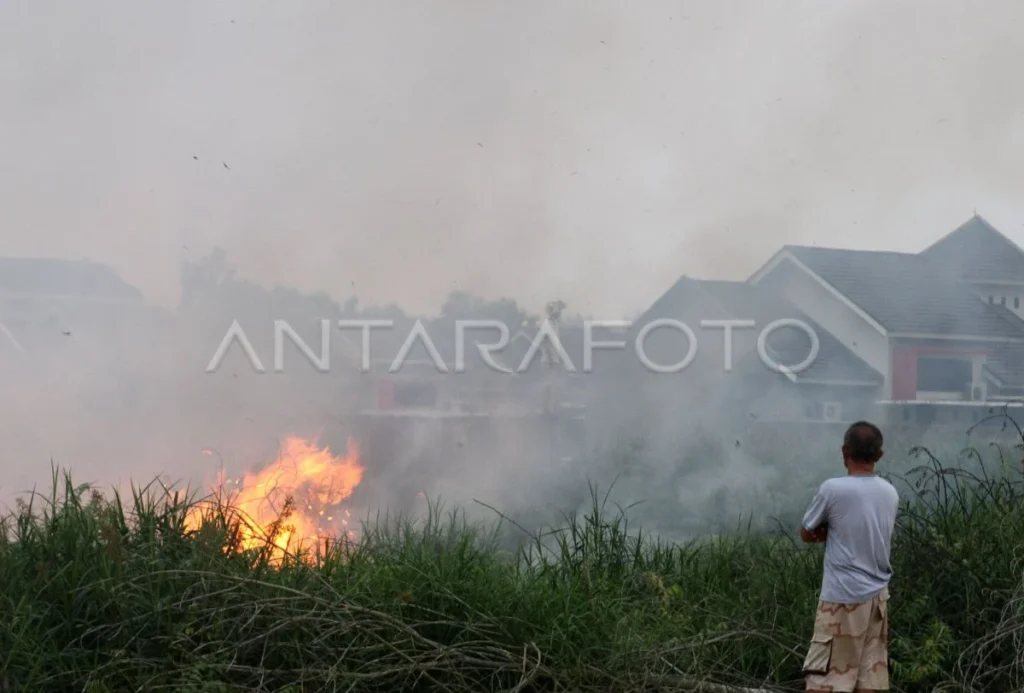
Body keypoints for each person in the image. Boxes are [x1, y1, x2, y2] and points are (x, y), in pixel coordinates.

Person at [800, 421, 899, 693]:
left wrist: (829, 530)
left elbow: (807, 532)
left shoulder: (833, 489)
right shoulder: (889, 493)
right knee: (869, 680)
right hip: (878, 600)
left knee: (828, 682)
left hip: (842, 599)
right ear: (879, 456)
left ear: (844, 452)